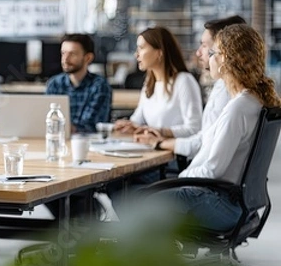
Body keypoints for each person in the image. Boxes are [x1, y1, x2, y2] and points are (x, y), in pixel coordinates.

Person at [141, 23, 280, 231]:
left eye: (213, 52)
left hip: (221, 203)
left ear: (225, 59)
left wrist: (179, 179)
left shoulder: (238, 108)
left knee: (139, 204)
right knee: (151, 196)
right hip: (237, 203)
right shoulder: (252, 101)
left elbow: (213, 170)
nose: (208, 58)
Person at [135, 16, 246, 159]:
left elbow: (204, 145)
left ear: (224, 51)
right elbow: (205, 140)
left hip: (184, 165)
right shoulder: (224, 88)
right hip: (190, 165)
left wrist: (160, 141)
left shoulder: (230, 95)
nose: (198, 52)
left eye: (206, 46)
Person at [114, 26, 202, 139]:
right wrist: (130, 125)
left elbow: (194, 128)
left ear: (159, 52)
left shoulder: (184, 81)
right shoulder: (149, 82)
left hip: (175, 153)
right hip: (153, 149)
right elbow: (138, 119)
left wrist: (160, 132)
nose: (136, 54)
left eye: (141, 48)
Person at [45, 34, 112, 133]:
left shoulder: (99, 86)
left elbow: (94, 125)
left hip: (88, 143)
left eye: (72, 54)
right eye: (63, 53)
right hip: (58, 139)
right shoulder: (54, 84)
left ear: (88, 58)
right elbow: (46, 118)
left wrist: (61, 126)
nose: (65, 59)